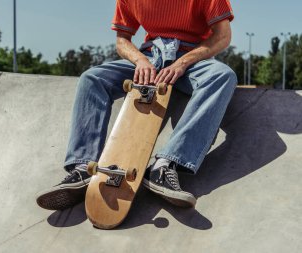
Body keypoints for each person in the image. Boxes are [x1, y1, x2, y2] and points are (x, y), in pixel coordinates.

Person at [36, 0, 237, 210]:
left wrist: (182, 62)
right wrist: (140, 60)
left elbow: (222, 35)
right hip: (150, 57)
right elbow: (122, 40)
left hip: (193, 61)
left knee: (222, 75)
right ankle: (83, 166)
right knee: (92, 78)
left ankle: (165, 166)